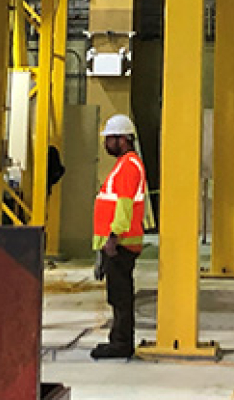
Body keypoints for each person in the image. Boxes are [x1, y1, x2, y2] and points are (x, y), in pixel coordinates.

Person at [91, 113, 146, 360]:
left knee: (121, 296)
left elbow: (123, 207)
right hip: (118, 243)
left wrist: (113, 237)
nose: (105, 145)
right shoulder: (126, 164)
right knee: (117, 294)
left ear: (123, 140)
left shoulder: (128, 166)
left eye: (109, 139)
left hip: (120, 243)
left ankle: (122, 343)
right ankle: (118, 340)